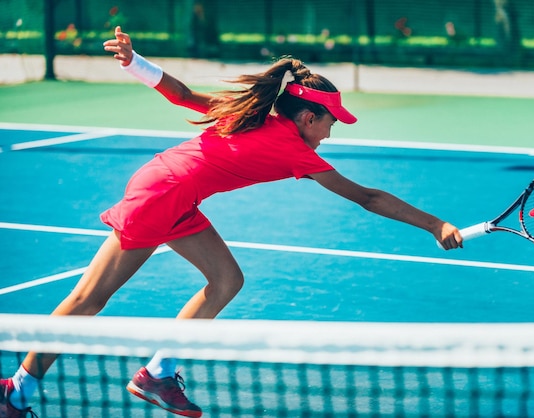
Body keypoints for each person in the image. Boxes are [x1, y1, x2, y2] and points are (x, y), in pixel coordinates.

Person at [0, 26, 462, 418]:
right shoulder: (293, 147)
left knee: (225, 280)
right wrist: (436, 224)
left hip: (174, 190)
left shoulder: (253, 115)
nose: (330, 132)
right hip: (160, 196)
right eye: (330, 124)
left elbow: (180, 96)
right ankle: (16, 393)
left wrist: (134, 61)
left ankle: (158, 374)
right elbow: (367, 196)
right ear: (306, 117)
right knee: (88, 300)